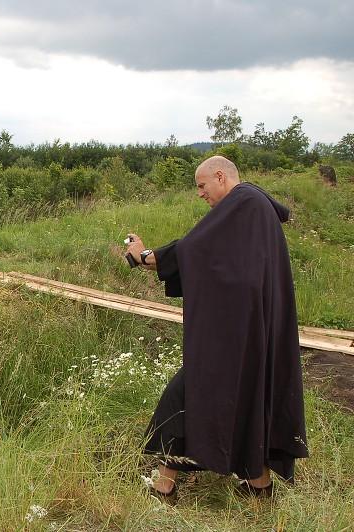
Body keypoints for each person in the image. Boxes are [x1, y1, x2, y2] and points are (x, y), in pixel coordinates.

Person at [125, 155, 307, 504]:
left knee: (183, 397)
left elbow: (195, 248)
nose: (200, 194)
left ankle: (164, 488)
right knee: (245, 400)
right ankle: (260, 488)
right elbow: (224, 263)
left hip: (237, 336)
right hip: (250, 332)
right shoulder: (256, 206)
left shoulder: (243, 203)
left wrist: (144, 255)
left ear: (221, 177)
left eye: (202, 185)